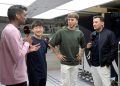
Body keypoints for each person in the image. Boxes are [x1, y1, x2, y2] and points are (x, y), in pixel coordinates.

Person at [0, 5, 40, 86]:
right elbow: (18, 57)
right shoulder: (12, 31)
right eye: (24, 15)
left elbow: (16, 52)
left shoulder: (10, 30)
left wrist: (28, 49)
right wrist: (27, 43)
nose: (26, 17)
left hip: (14, 77)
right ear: (17, 16)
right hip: (16, 79)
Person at [49, 12, 85, 86]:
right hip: (65, 63)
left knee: (73, 83)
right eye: (69, 20)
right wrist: (58, 54)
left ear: (76, 21)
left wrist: (81, 54)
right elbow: (51, 44)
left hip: (75, 63)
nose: (70, 21)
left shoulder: (79, 33)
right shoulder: (61, 32)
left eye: (72, 20)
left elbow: (83, 45)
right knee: (65, 83)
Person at [86, 15, 118, 86]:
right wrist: (89, 47)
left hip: (103, 65)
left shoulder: (109, 33)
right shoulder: (92, 34)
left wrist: (108, 62)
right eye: (93, 22)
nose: (94, 24)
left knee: (106, 84)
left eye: (96, 22)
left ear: (102, 23)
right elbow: (94, 48)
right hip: (93, 65)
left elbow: (114, 48)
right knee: (97, 84)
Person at [26, 21, 48, 86]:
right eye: (36, 28)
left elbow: (43, 56)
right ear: (32, 29)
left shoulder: (44, 42)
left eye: (40, 27)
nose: (38, 30)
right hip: (33, 73)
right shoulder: (29, 41)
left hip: (43, 72)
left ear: (43, 29)